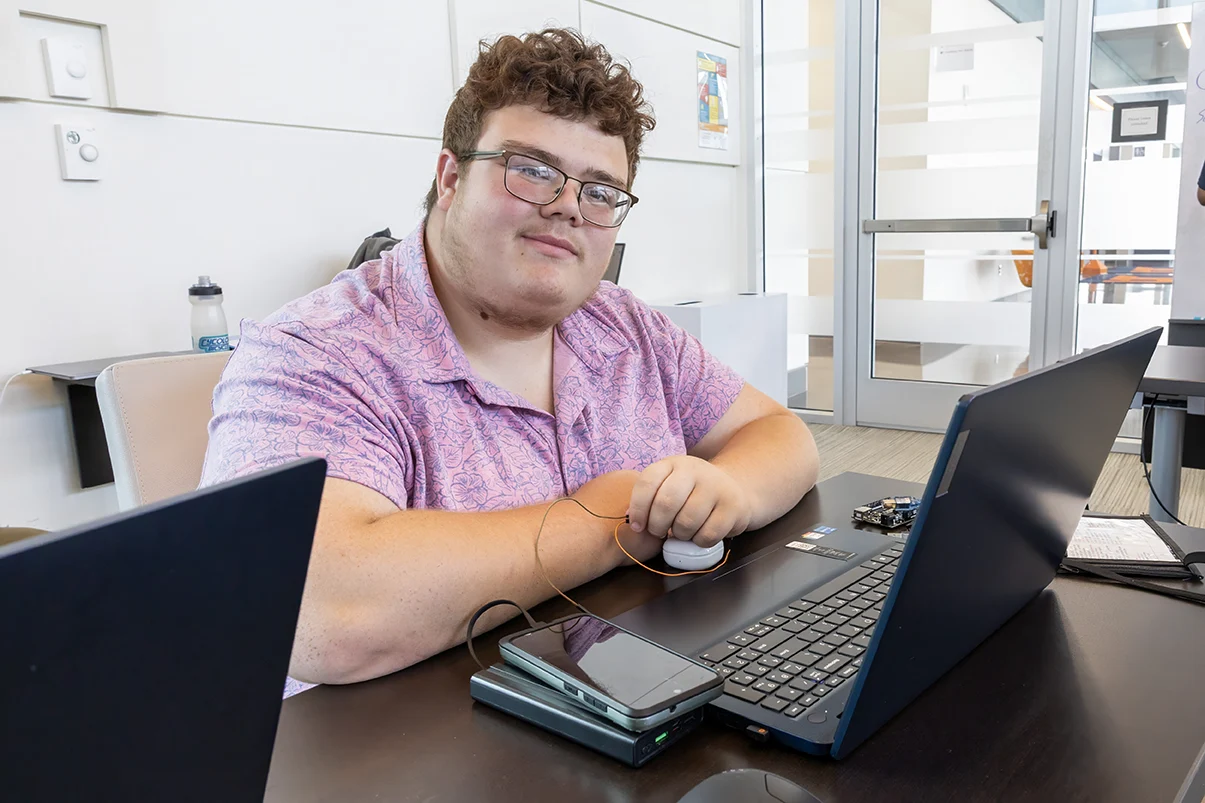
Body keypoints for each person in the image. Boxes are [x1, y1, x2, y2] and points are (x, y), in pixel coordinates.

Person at [199, 28, 820, 688]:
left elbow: (780, 436)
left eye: (600, 191)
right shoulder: (316, 353)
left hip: (629, 694)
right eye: (530, 170)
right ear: (449, 177)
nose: (566, 207)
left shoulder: (624, 323)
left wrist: (730, 489)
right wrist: (608, 517)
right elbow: (322, 611)